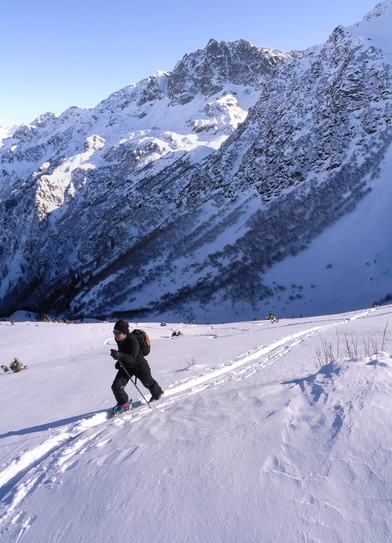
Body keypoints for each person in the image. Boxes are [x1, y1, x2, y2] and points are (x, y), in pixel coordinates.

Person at [110, 320, 164, 415]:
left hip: (140, 366)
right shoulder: (119, 340)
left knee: (148, 383)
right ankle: (124, 404)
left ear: (124, 333)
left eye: (117, 333)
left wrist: (119, 356)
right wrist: (119, 361)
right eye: (114, 332)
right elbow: (124, 355)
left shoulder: (133, 341)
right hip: (127, 366)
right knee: (116, 386)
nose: (115, 335)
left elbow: (132, 358)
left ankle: (157, 395)